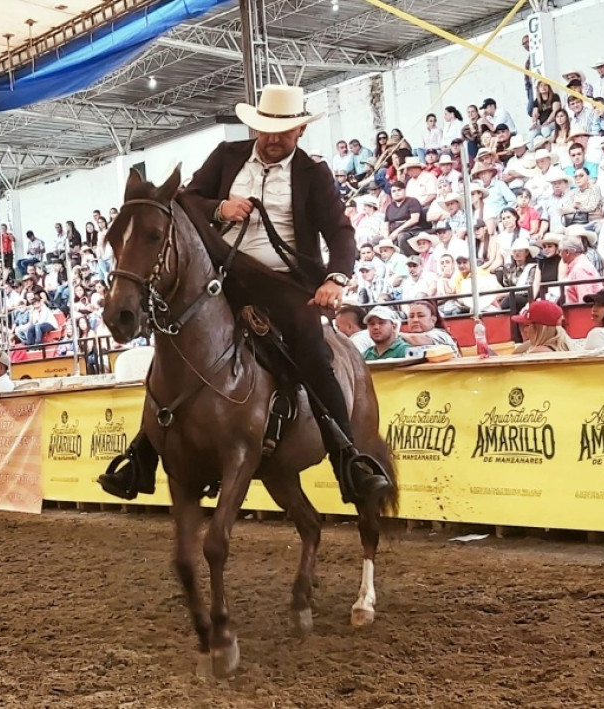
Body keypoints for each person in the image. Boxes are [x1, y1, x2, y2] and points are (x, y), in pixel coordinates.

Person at [98, 84, 390, 504]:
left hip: (287, 284)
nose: (273, 138)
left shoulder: (313, 173)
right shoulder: (227, 156)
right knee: (174, 344)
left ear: (300, 131)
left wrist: (335, 279)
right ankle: (143, 453)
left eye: (283, 131)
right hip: (224, 276)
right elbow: (186, 200)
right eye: (266, 129)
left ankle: (348, 456)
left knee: (312, 351)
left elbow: (340, 232)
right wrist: (221, 208)